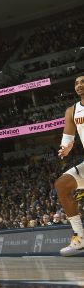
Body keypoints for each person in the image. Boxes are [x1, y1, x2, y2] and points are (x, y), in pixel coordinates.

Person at [55, 74, 84, 256]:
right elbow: (68, 139)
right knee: (61, 185)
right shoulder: (72, 111)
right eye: (77, 83)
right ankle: (80, 236)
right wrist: (65, 149)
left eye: (83, 82)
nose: (79, 85)